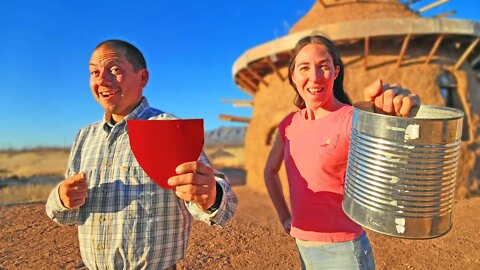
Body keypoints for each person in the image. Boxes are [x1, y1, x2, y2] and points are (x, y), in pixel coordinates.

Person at [46, 39, 238, 270]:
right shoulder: (84, 137)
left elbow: (223, 205)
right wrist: (61, 199)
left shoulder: (168, 128)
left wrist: (210, 196)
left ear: (142, 77)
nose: (101, 79)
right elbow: (68, 215)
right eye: (94, 72)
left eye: (114, 70)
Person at [264, 35, 420, 270]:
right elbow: (270, 172)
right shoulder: (288, 125)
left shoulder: (352, 119)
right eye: (304, 67)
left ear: (336, 72)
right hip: (303, 246)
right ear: (293, 76)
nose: (314, 77)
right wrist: (284, 217)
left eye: (324, 67)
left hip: (345, 251)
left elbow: (393, 166)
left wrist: (394, 117)